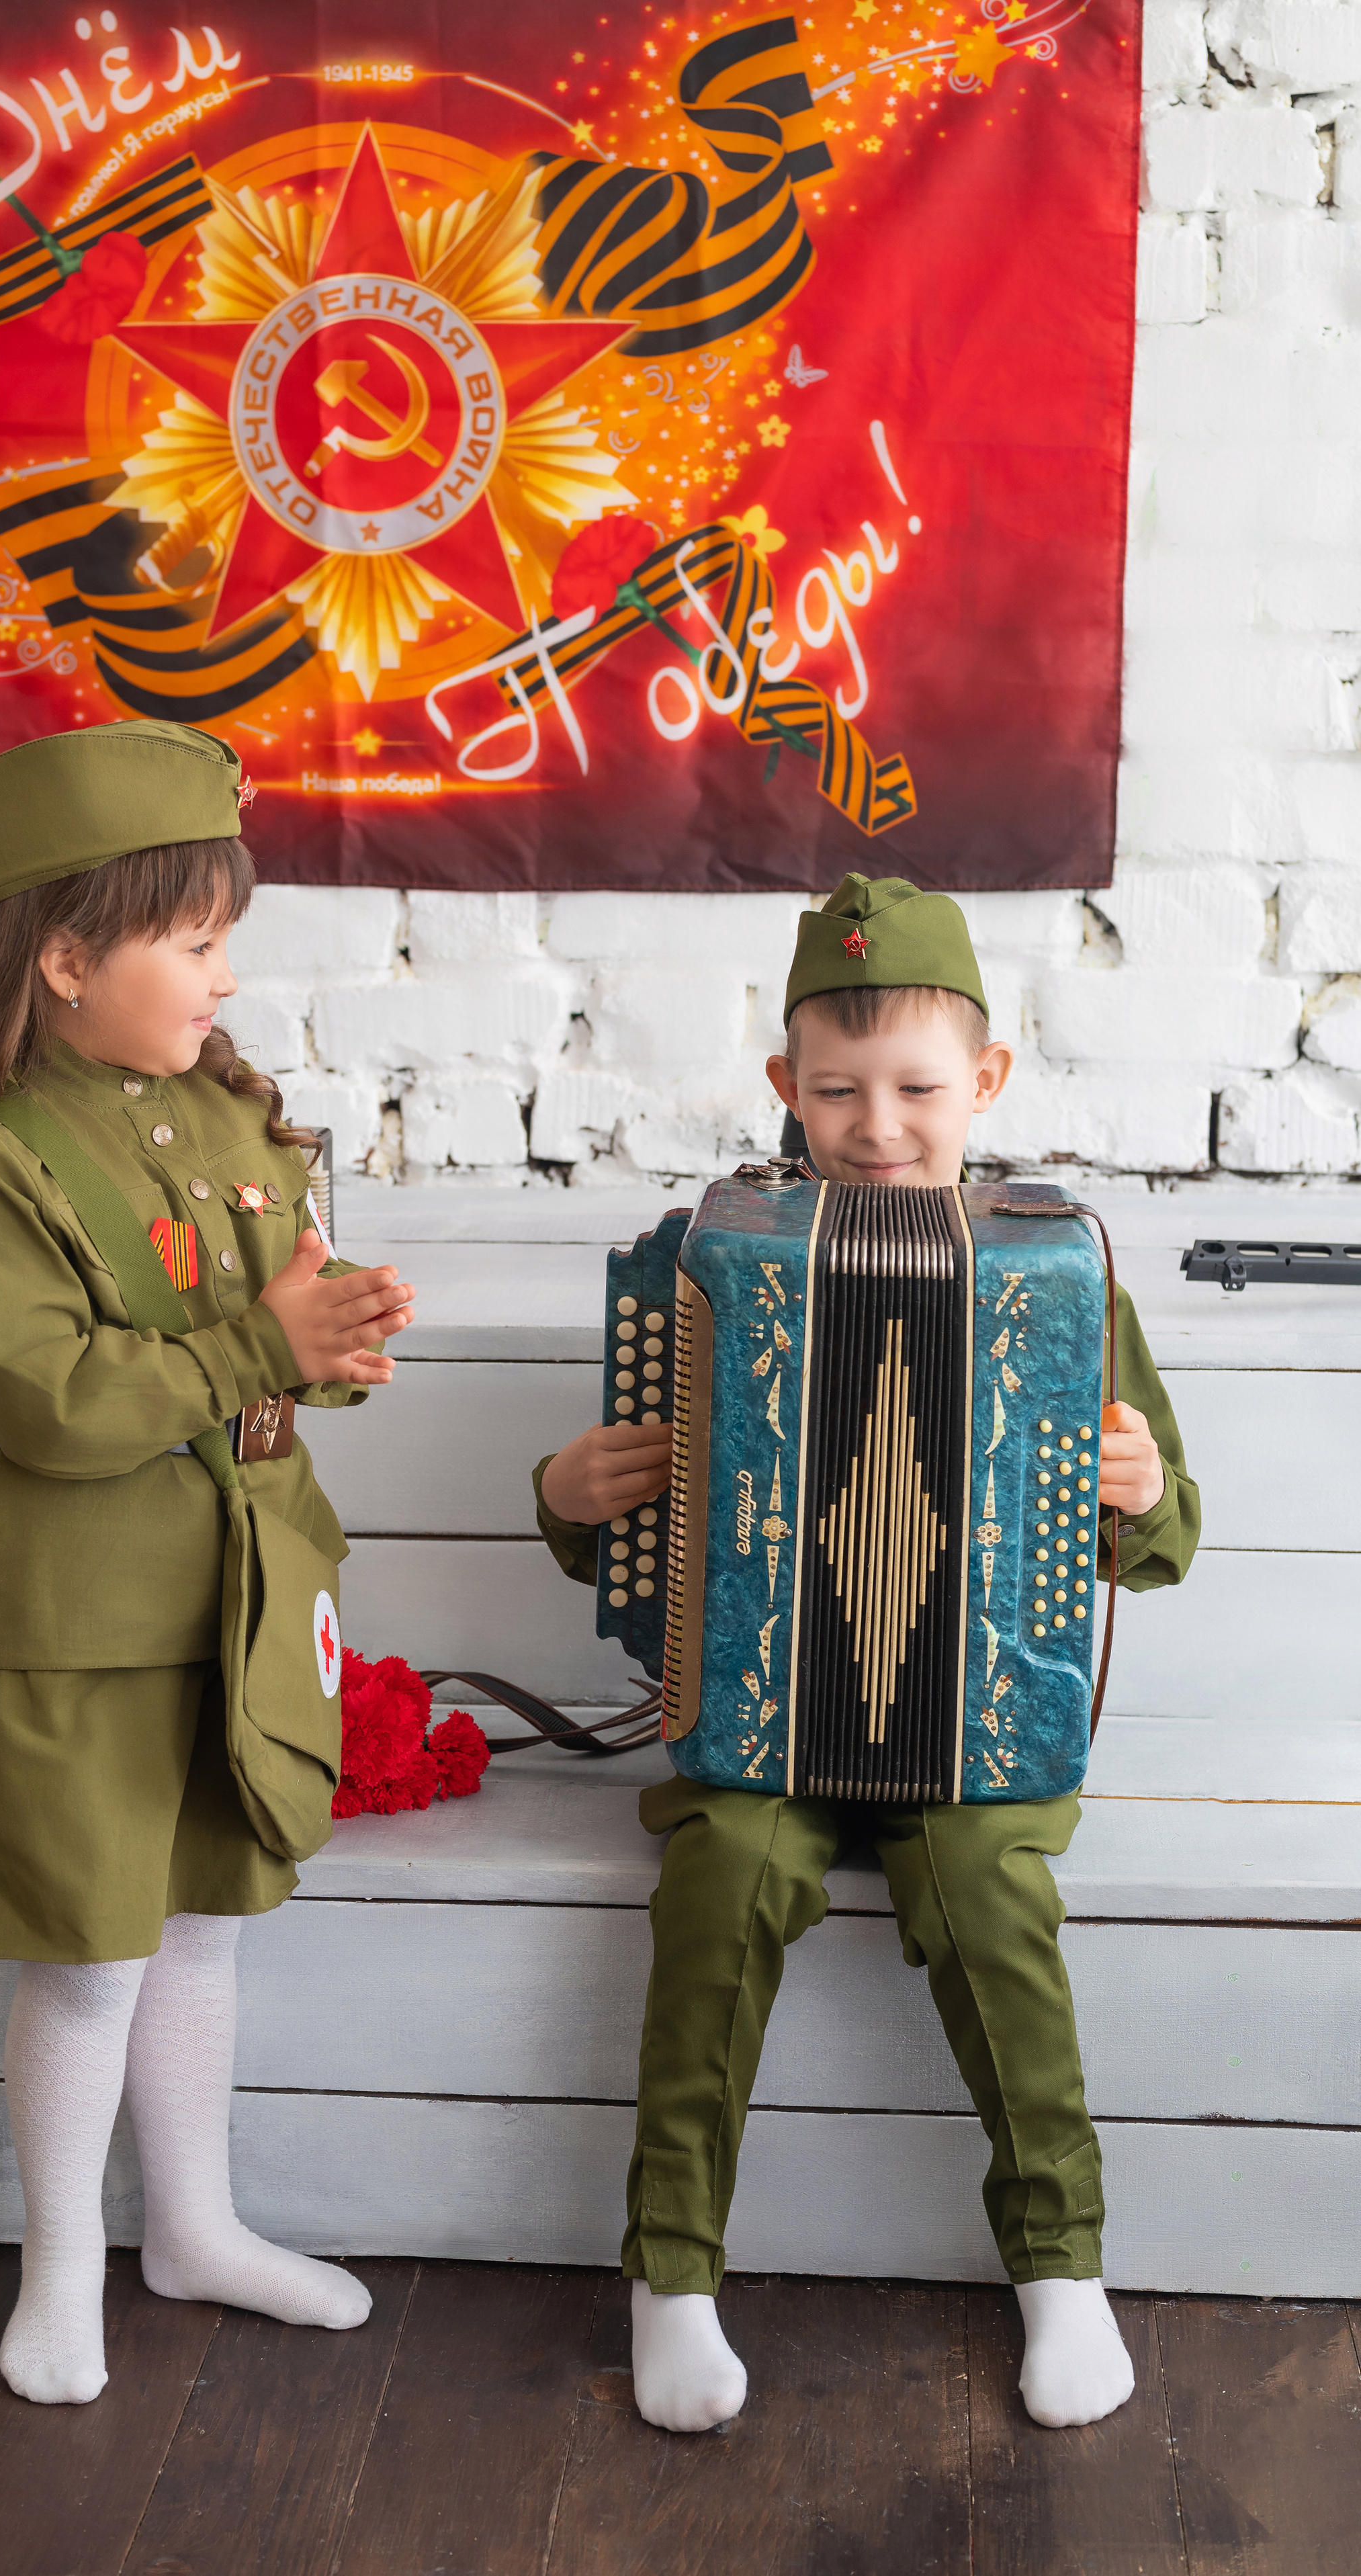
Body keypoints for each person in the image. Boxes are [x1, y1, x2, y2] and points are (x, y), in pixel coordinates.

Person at [533, 873, 1199, 2437]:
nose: (876, 1123)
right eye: (835, 1090)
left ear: (987, 1082)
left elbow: (1159, 1532)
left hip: (978, 1729)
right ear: (782, 1087)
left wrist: (1140, 1492)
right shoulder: (714, 1260)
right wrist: (568, 1500)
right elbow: (638, 1509)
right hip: (757, 1721)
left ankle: (1058, 2269)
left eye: (913, 1088)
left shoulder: (1055, 1274)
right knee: (721, 1886)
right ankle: (674, 2275)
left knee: (986, 1896)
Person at [0, 718, 414, 2406]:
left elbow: (257, 1335)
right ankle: (59, 2278)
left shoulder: (228, 1119)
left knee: (202, 1927)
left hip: (235, 1600)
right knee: (90, 1952)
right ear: (68, 960)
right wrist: (263, 1344)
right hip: (79, 1625)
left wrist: (333, 1341)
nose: (226, 978)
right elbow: (55, 1405)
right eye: (196, 940)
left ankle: (193, 2227)